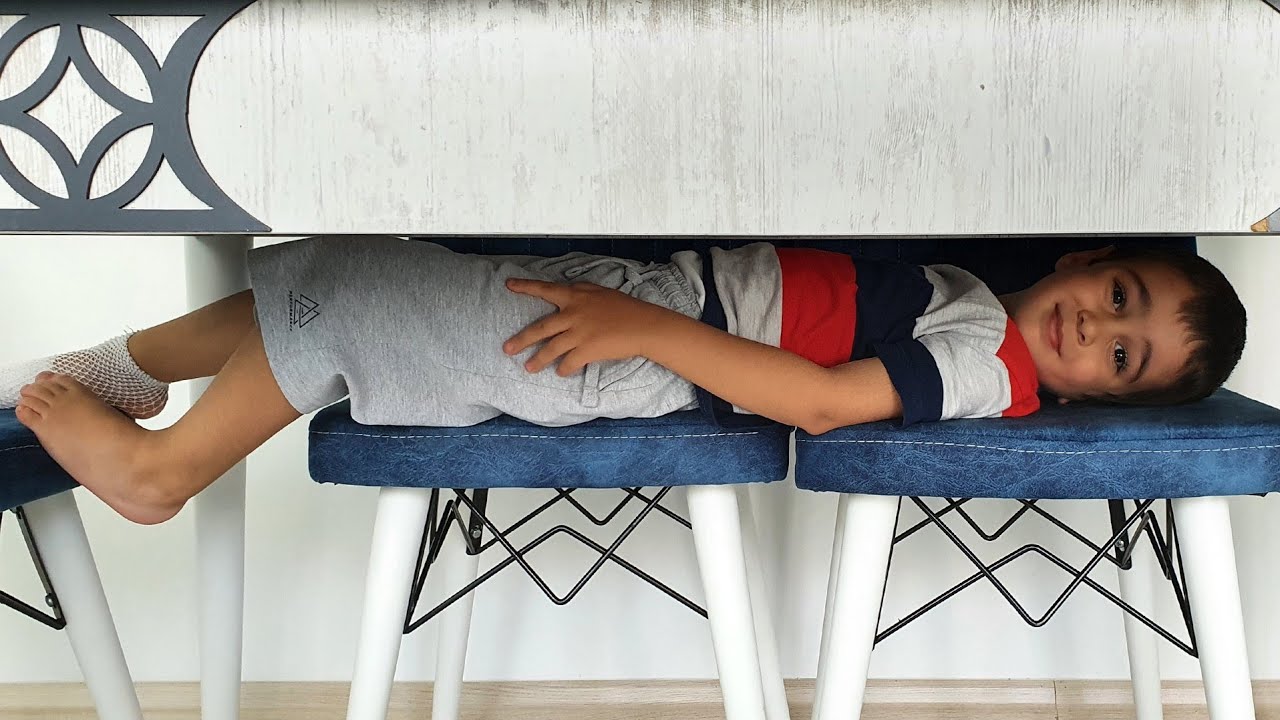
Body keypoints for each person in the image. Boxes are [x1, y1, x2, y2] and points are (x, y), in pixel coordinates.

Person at [1, 237, 1246, 525]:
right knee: (337, 265)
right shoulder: (988, 302)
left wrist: (634, 330)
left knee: (360, 304)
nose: (1094, 323)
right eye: (1117, 295)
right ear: (1091, 261)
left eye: (1117, 353)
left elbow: (816, 404)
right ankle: (126, 370)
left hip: (644, 358)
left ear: (1088, 396)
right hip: (653, 307)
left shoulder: (989, 370)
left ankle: (164, 469)